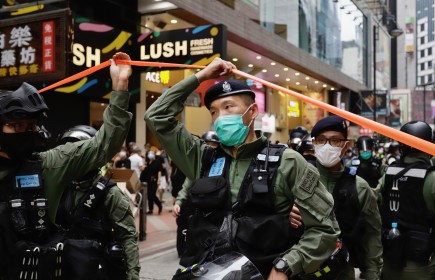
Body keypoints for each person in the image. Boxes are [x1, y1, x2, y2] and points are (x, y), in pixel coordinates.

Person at [144, 57, 340, 279]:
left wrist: (286, 265)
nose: (220, 117)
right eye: (214, 112)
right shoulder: (201, 158)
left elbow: (325, 229)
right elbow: (156, 116)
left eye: (229, 107)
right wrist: (201, 76)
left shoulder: (288, 161)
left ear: (253, 111)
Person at [0, 52, 133, 279]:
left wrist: (120, 87)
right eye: (15, 125)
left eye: (31, 126)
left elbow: (103, 144)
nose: (25, 132)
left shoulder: (48, 165)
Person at [290, 115, 382, 280]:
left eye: (335, 141)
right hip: (299, 269)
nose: (327, 146)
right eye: (321, 140)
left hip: (341, 270)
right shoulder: (295, 178)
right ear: (314, 143)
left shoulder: (359, 187)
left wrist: (372, 273)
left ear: (346, 146)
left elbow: (372, 233)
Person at [376, 120, 435, 280]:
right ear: (429, 145)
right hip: (423, 262)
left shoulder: (388, 174)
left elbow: (374, 204)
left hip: (389, 258)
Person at [56, 125, 140, 280]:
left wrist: (133, 275)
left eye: (79, 153)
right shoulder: (59, 188)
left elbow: (127, 236)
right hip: (63, 266)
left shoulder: (110, 193)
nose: (72, 158)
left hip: (96, 269)